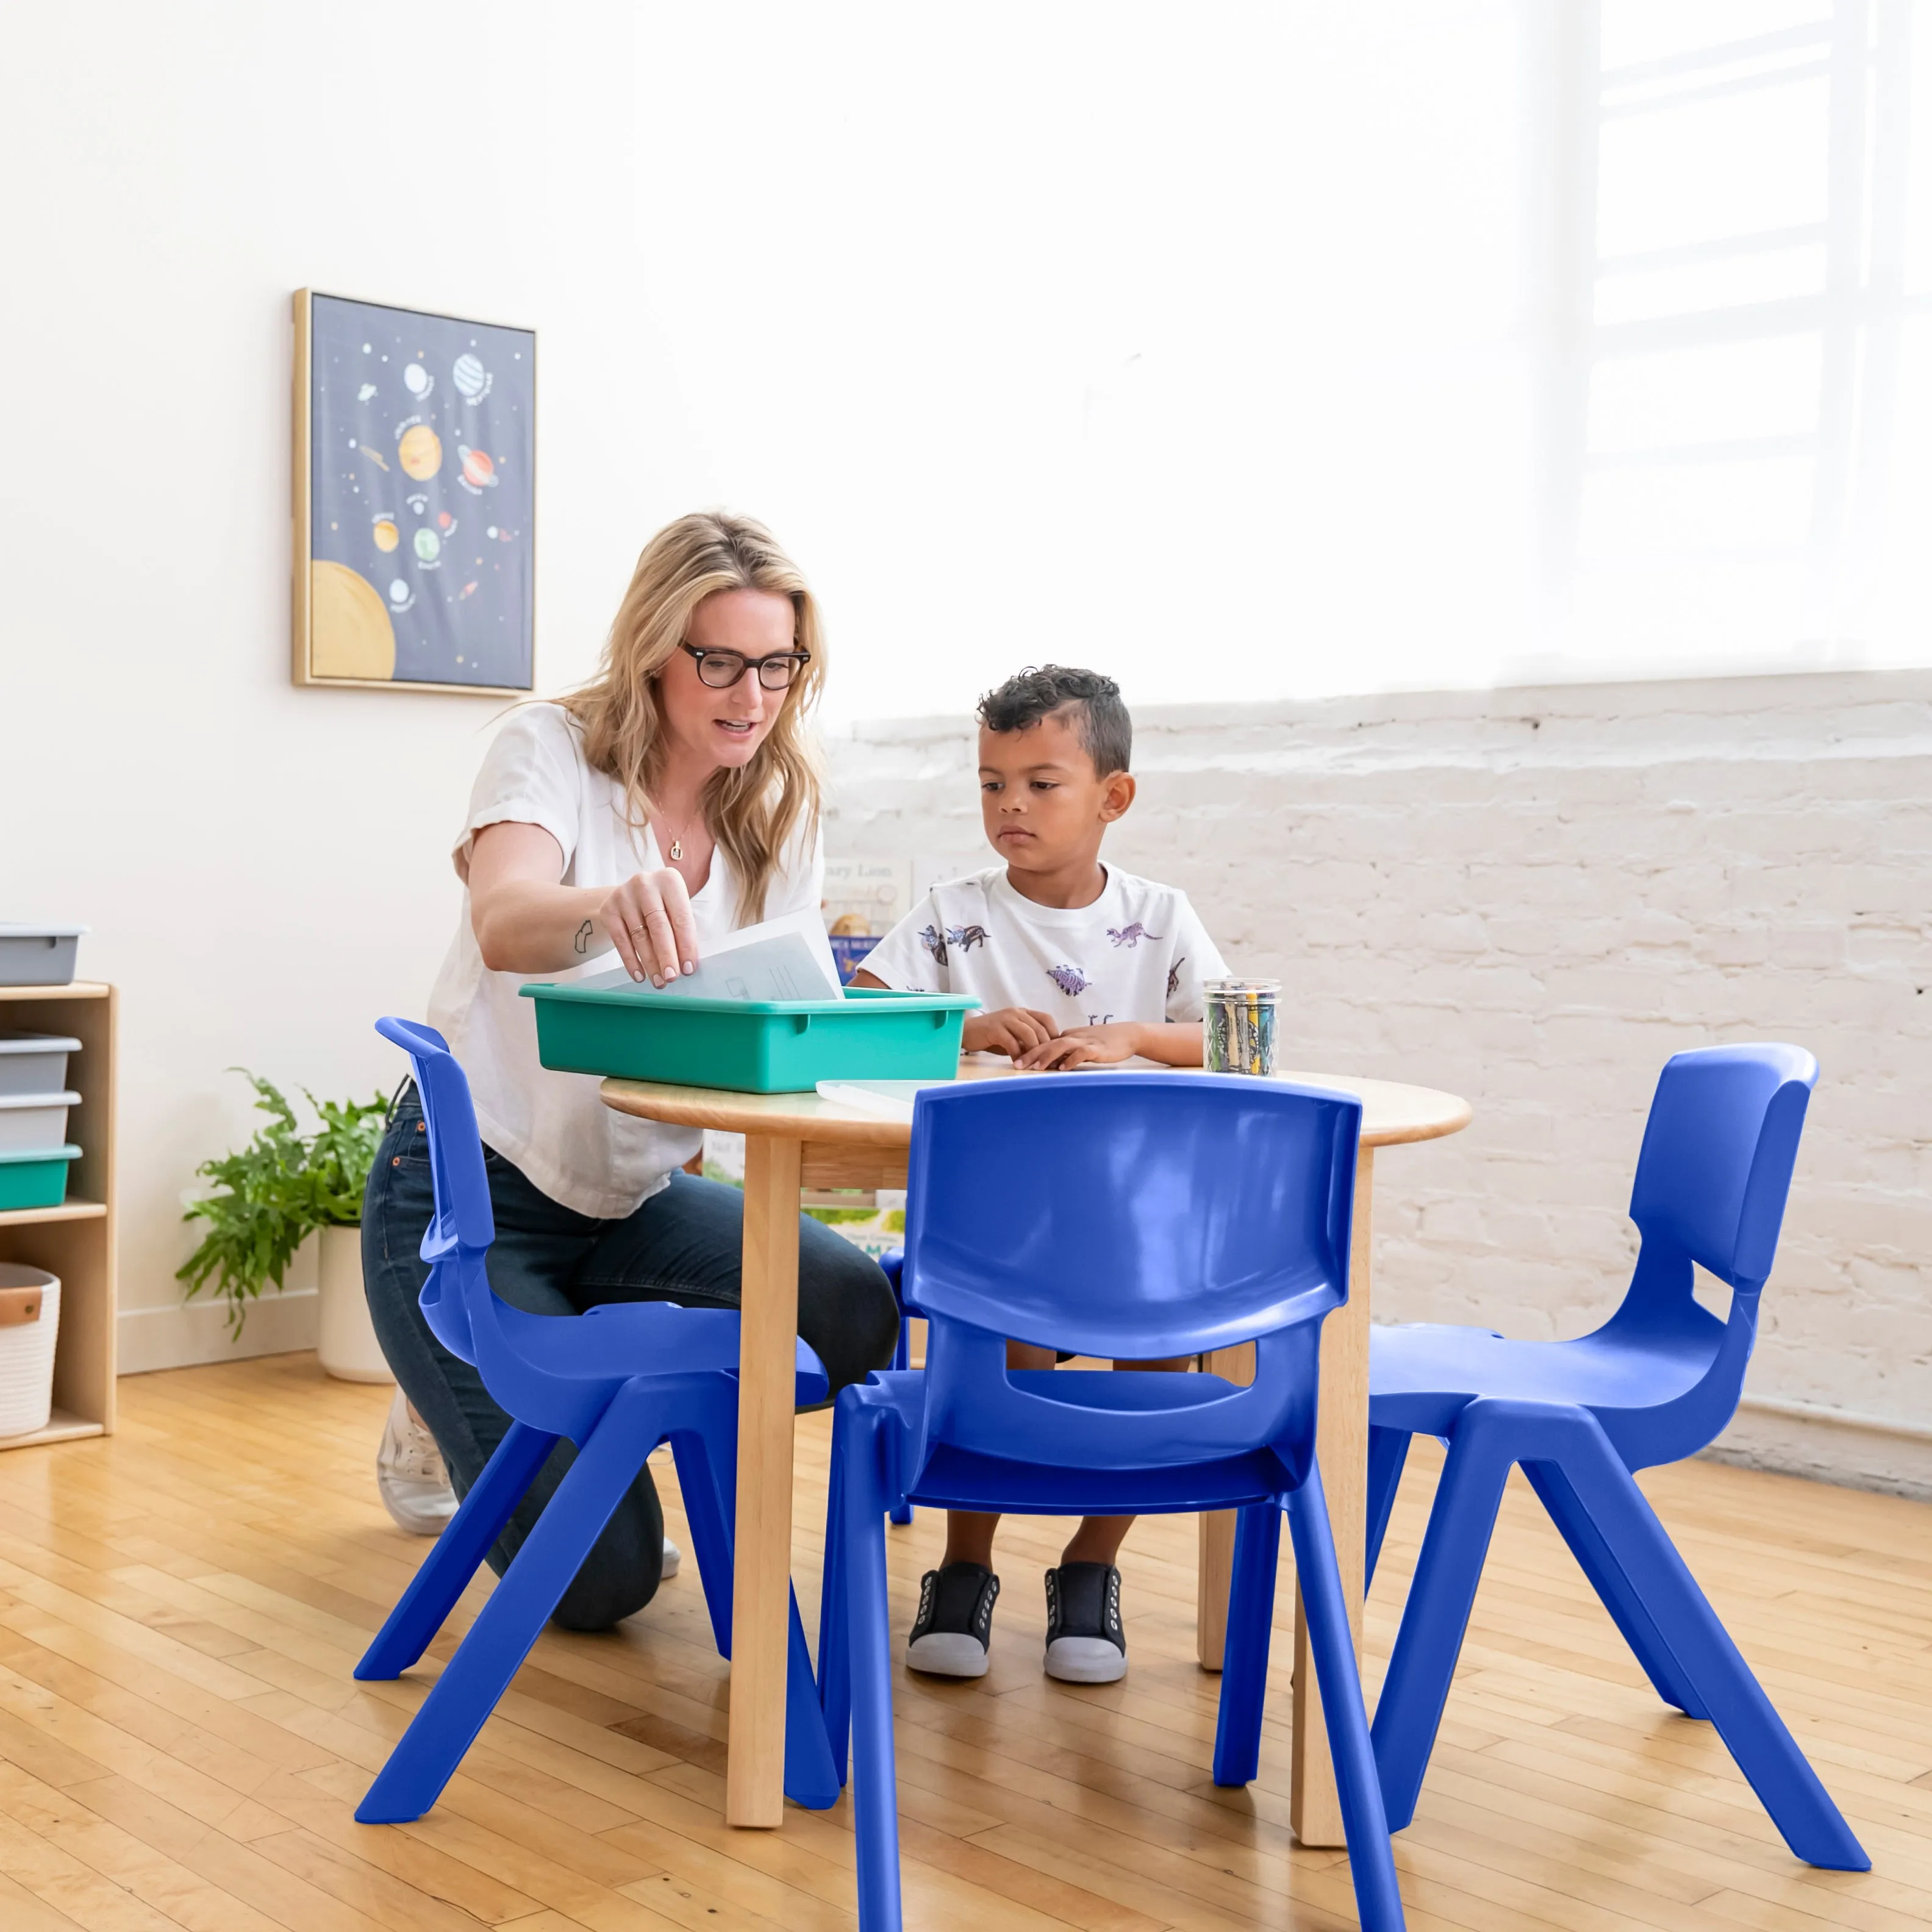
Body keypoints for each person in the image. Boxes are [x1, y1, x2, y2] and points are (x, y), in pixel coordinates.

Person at [362, 510, 899, 1630]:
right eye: (719, 661)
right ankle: (444, 1398)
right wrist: (605, 907)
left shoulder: (775, 808)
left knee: (853, 1309)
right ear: (656, 649)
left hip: (632, 1202)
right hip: (473, 1193)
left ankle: (581, 1383)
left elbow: (772, 1011)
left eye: (777, 664)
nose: (751, 694)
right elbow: (507, 919)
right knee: (603, 1589)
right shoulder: (548, 746)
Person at [853, 664, 1229, 1683]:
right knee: (995, 1355)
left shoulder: (1160, 918)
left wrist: (1136, 1038)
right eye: (990, 783)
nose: (1010, 805)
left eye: (1041, 782)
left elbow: (1243, 1038)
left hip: (1139, 1231)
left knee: (1162, 1360)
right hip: (996, 1234)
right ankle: (964, 1566)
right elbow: (857, 1018)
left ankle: (1088, 1565)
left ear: (1114, 796)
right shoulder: (949, 912)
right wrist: (965, 1023)